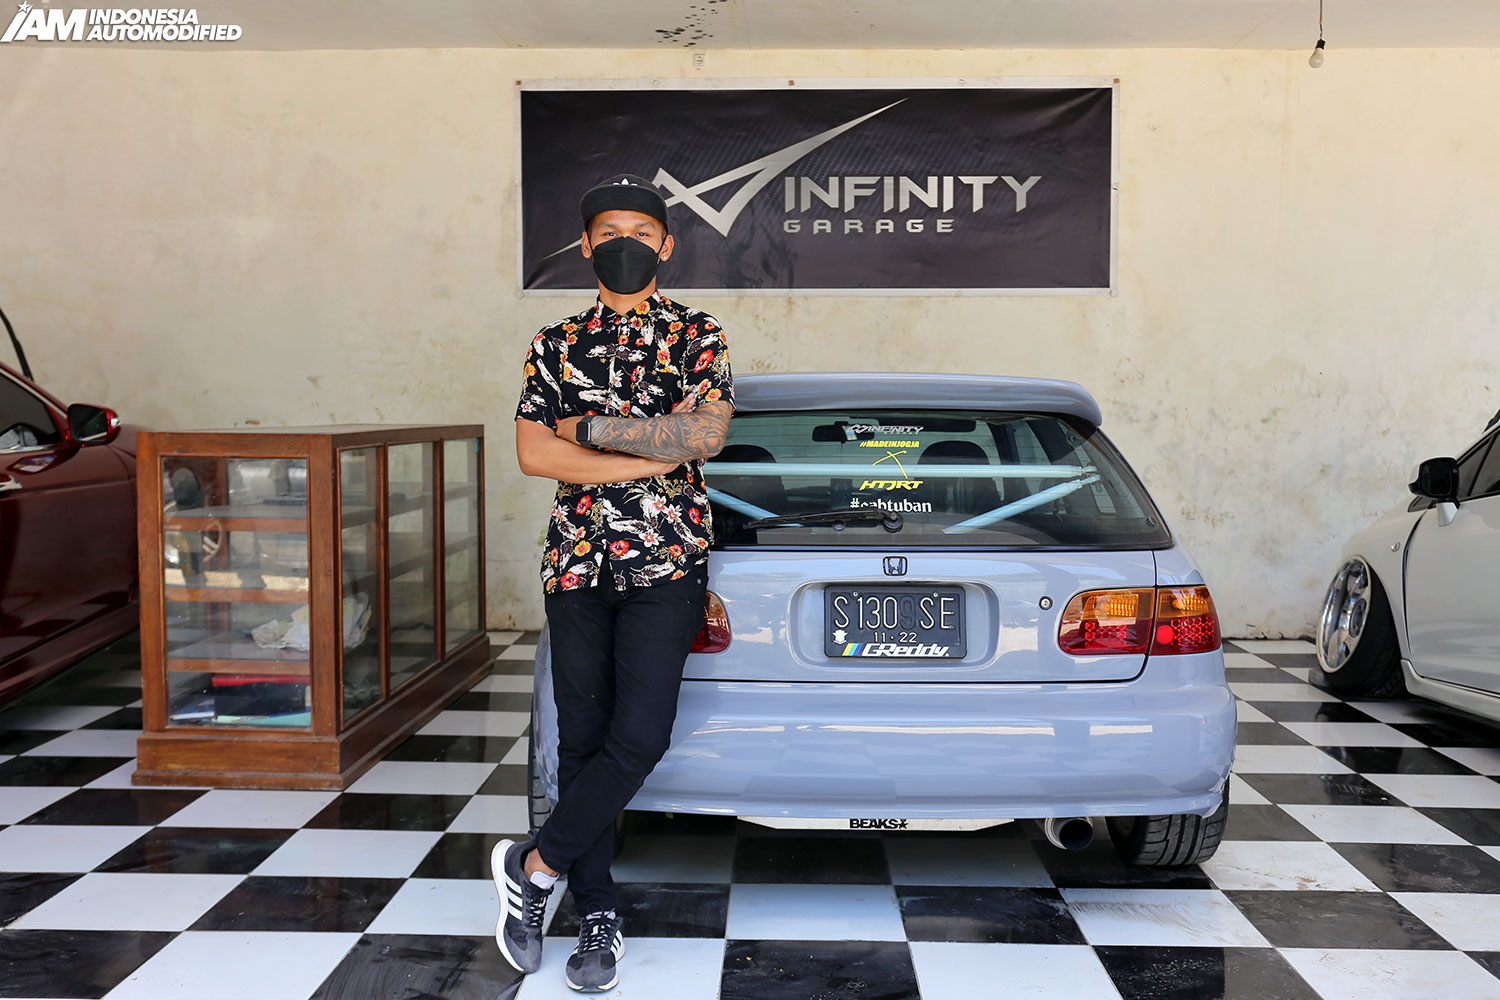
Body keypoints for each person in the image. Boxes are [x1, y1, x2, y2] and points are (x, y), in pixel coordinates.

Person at [495, 174, 734, 993]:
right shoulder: (554, 342)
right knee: (582, 741)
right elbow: (534, 454)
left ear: (666, 244)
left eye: (640, 230)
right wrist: (650, 450)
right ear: (585, 245)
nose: (624, 242)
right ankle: (597, 912)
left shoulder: (699, 333)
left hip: (667, 559)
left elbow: (704, 437)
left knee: (641, 735)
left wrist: (590, 430)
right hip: (576, 561)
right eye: (608, 232)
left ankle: (534, 866)